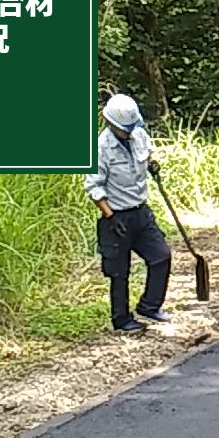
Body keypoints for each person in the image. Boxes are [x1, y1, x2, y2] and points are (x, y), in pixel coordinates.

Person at [84, 93, 173, 333]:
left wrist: (153, 164)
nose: (129, 132)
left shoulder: (139, 135)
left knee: (161, 256)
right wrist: (109, 216)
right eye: (125, 129)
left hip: (140, 212)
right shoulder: (100, 148)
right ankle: (121, 320)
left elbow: (147, 154)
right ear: (111, 124)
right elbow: (93, 186)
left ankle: (149, 306)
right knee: (119, 272)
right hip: (116, 216)